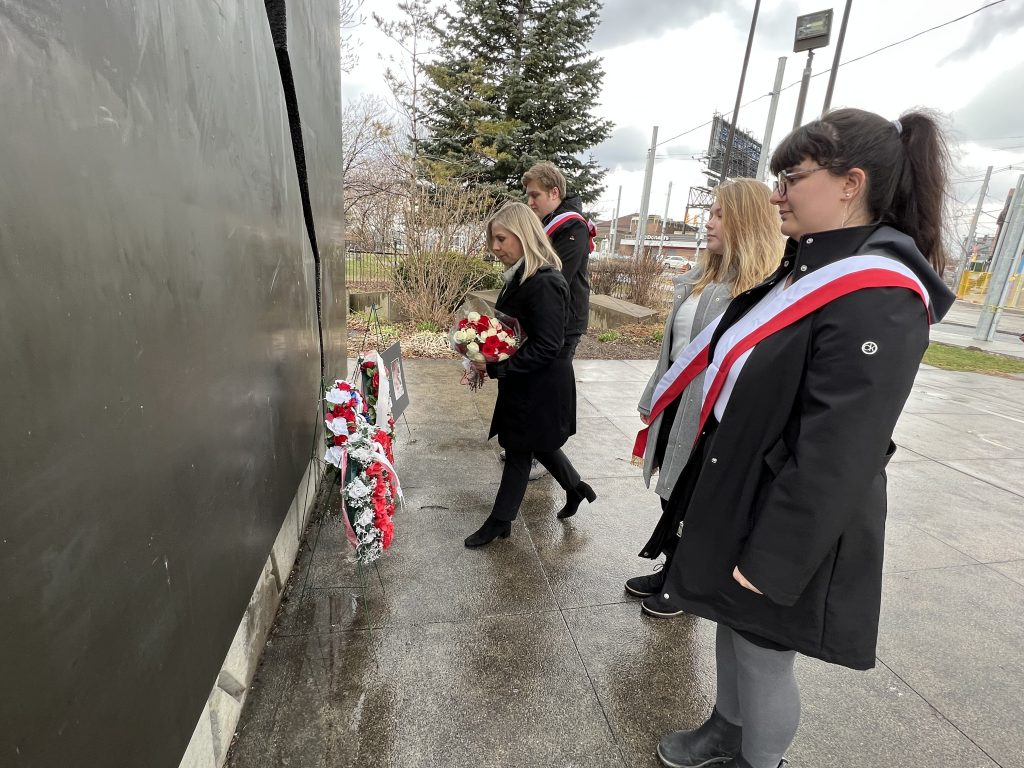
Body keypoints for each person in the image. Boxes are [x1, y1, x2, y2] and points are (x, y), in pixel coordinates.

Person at [642, 108, 956, 768]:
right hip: (742, 480)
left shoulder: (879, 292)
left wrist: (772, 559)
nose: (776, 191)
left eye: (791, 175)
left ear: (850, 184)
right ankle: (727, 730)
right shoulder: (805, 267)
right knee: (733, 623)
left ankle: (763, 759)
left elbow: (840, 448)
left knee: (763, 650)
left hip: (789, 506)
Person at [626, 178, 783, 619]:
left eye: (718, 214)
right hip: (678, 401)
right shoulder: (698, 279)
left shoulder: (762, 290)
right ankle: (673, 568)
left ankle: (683, 582)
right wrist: (652, 395)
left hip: (713, 412)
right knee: (672, 488)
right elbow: (673, 349)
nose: (707, 223)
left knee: (697, 497)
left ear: (745, 222)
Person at [464, 202, 596, 548]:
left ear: (524, 235)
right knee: (538, 442)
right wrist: (485, 347)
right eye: (493, 239)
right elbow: (515, 331)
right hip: (526, 380)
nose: (495, 247)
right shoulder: (522, 276)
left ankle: (499, 521)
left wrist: (495, 367)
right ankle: (577, 488)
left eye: (501, 238)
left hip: (541, 385)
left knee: (520, 448)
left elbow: (549, 346)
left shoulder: (545, 281)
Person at [505, 162, 597, 481]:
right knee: (533, 386)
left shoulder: (573, 227)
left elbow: (556, 274)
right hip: (545, 320)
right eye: (528, 196)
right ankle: (533, 450)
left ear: (554, 192)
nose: (530, 201)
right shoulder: (550, 223)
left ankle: (533, 453)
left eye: (535, 195)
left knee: (544, 391)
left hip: (562, 324)